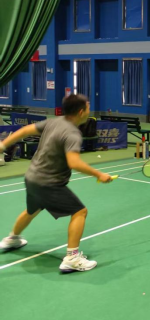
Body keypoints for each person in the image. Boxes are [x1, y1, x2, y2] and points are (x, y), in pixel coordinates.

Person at [0, 95, 113, 272]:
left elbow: (24, 130)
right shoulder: (72, 134)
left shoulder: (53, 122)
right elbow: (74, 162)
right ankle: (72, 258)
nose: (89, 109)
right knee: (80, 211)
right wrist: (99, 174)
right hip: (49, 182)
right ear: (81, 112)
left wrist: (2, 145)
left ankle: (12, 239)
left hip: (32, 177)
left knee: (32, 210)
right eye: (88, 106)